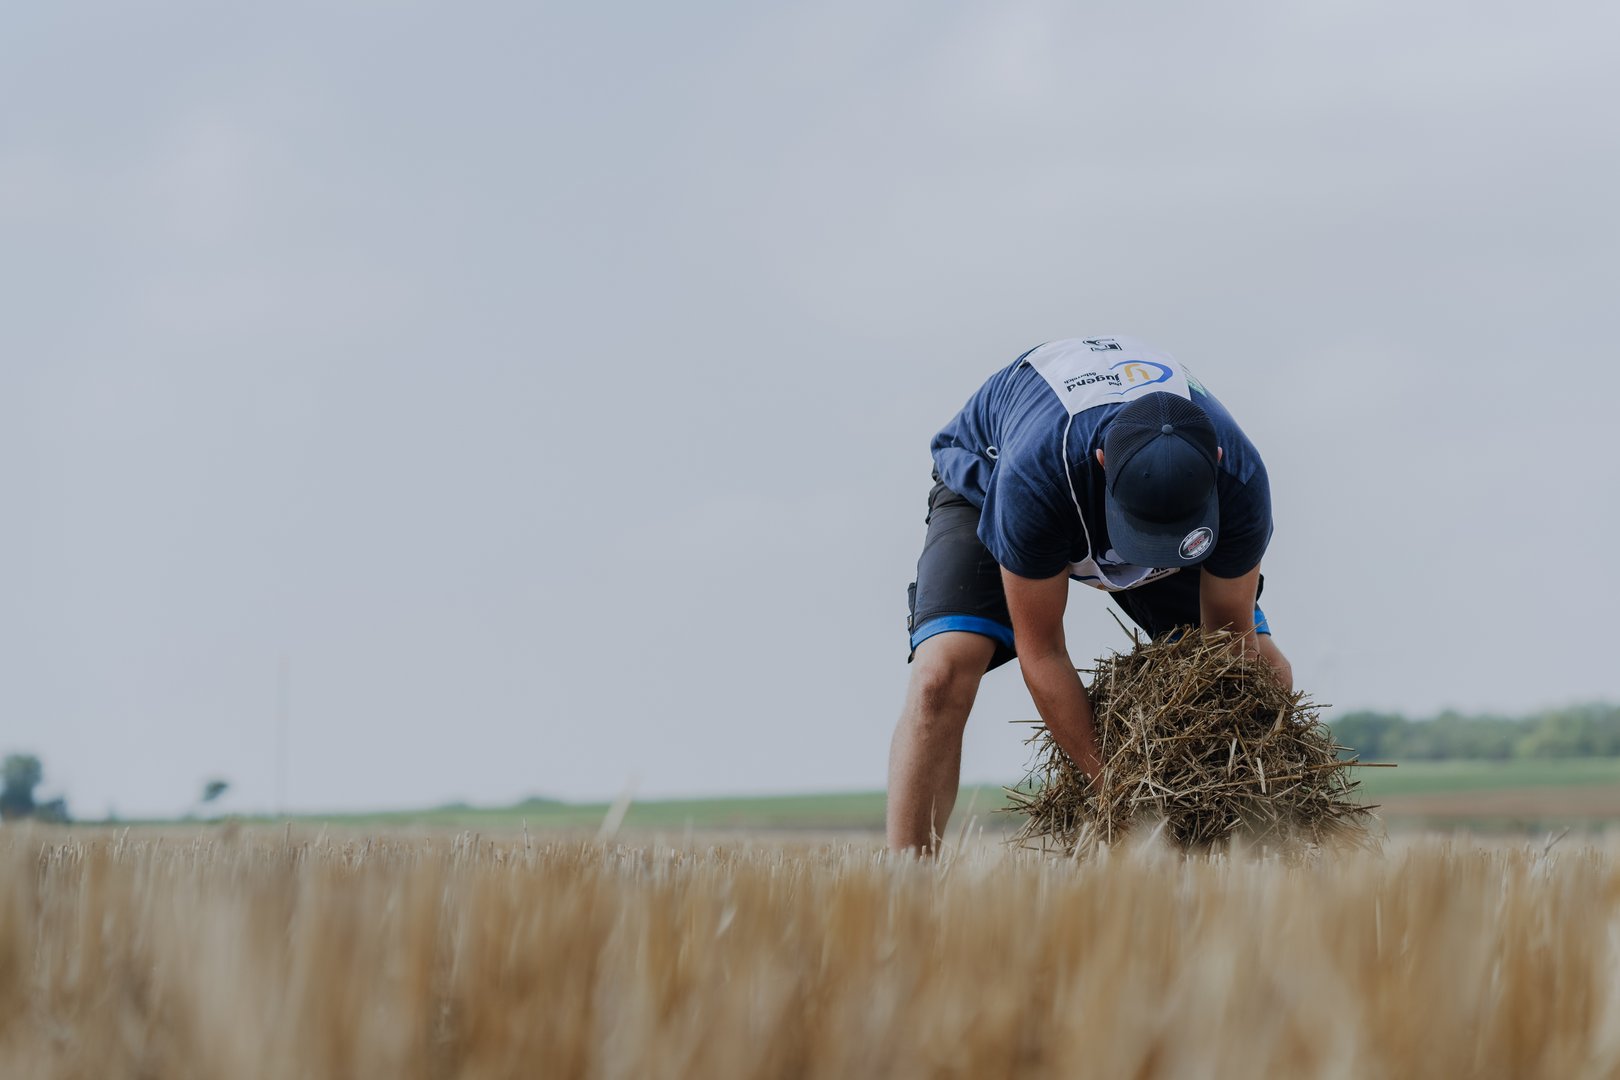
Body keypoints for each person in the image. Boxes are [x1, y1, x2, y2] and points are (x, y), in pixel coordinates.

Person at [887, 335, 1292, 853]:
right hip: (992, 478)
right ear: (1101, 460)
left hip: (1108, 485)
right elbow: (1043, 651)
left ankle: (1249, 862)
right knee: (941, 674)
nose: (1148, 556)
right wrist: (1120, 796)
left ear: (1215, 461)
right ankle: (909, 880)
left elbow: (1229, 644)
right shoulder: (1032, 479)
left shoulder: (1242, 478)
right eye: (1143, 533)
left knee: (1267, 674)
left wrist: (1224, 781)